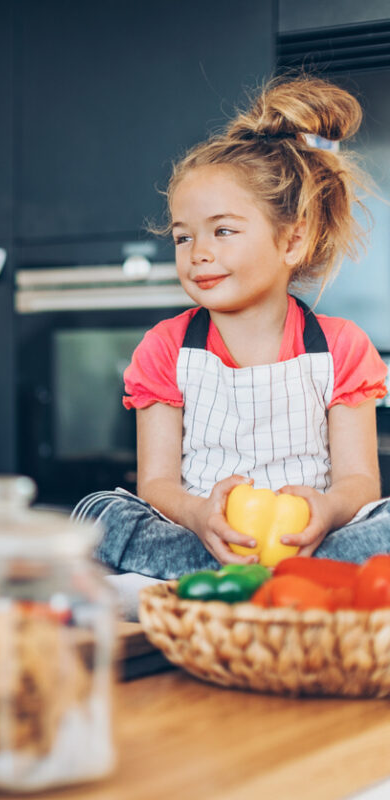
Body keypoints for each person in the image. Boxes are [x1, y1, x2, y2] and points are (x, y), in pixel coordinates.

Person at [72, 76, 390, 580]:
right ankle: (251, 573)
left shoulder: (341, 347)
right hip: (201, 540)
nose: (198, 252)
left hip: (310, 541)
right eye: (183, 237)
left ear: (291, 241)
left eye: (223, 231)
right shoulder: (164, 348)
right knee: (96, 512)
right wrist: (200, 516)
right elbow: (156, 482)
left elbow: (358, 482)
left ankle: (254, 574)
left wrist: (326, 512)